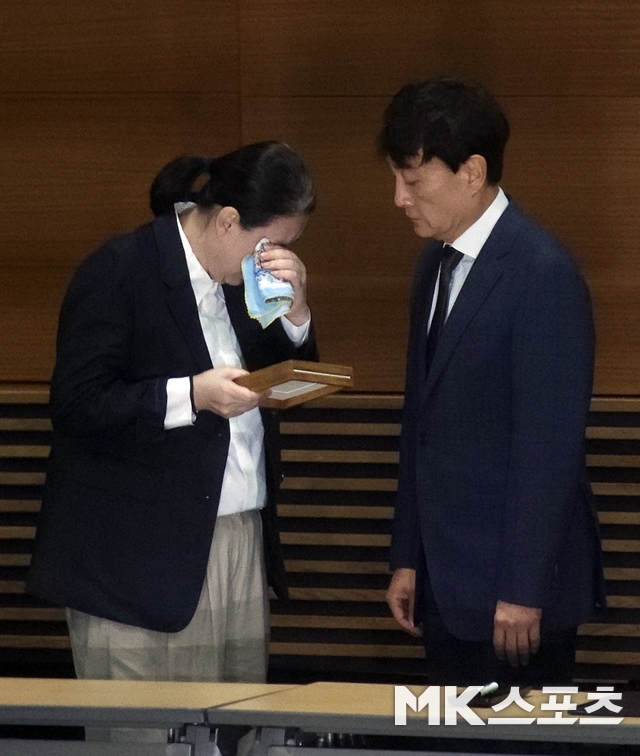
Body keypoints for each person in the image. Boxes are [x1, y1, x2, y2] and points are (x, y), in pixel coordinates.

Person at [28, 141, 317, 695]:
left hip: (238, 537)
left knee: (239, 722)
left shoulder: (247, 278)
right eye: (272, 243)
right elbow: (76, 404)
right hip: (134, 560)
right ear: (228, 220)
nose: (275, 258)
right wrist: (191, 396)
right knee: (146, 730)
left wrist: (297, 312)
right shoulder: (120, 270)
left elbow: (283, 376)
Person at [380, 78, 605, 686]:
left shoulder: (541, 272)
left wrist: (523, 589)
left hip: (514, 599)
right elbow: (420, 424)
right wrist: (408, 557)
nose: (399, 199)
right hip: (443, 582)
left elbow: (548, 449)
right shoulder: (434, 262)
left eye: (413, 181)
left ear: (472, 172)